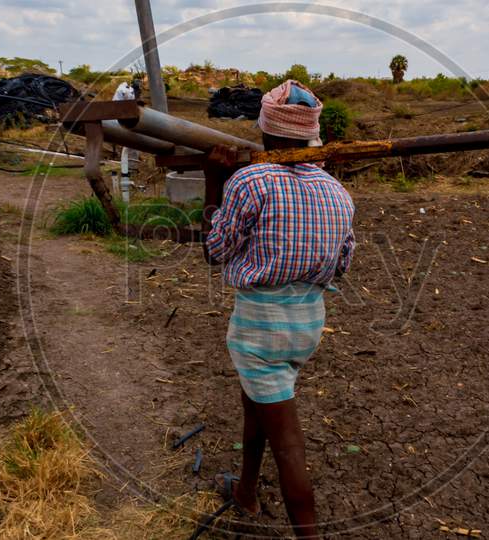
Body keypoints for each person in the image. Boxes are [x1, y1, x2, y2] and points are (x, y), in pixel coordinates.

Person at [203, 80, 355, 538]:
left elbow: (215, 251)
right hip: (307, 323)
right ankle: (246, 492)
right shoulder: (337, 192)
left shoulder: (249, 182)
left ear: (265, 132)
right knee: (258, 407)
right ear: (311, 135)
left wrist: (214, 179)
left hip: (260, 326)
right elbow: (342, 264)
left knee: (288, 444)